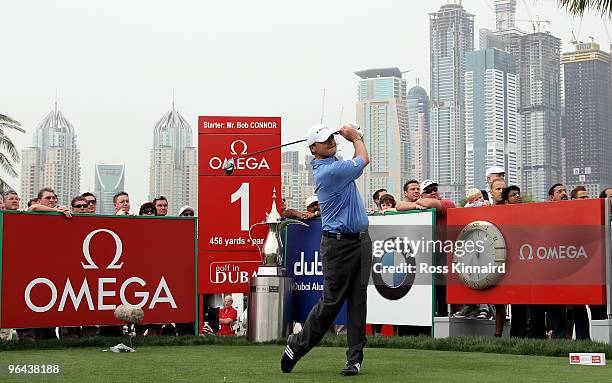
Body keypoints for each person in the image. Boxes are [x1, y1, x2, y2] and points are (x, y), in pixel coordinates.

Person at [281, 123, 371, 377]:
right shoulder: (327, 172)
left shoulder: (336, 166)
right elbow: (363, 158)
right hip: (338, 244)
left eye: (332, 137)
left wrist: (350, 140)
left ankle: (354, 360)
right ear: (313, 149)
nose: (331, 141)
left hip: (361, 241)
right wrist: (355, 136)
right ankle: (296, 346)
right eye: (324, 140)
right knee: (331, 303)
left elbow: (355, 162)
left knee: (358, 301)